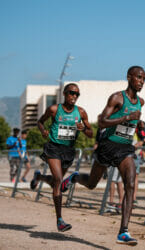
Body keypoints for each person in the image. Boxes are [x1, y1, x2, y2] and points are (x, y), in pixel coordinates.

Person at [61, 66, 145, 245]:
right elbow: (101, 122)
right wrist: (126, 117)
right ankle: (75, 177)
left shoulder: (141, 102)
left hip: (125, 148)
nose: (141, 81)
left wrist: (139, 126)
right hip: (108, 146)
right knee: (92, 183)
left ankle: (123, 231)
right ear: (129, 77)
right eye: (138, 77)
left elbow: (133, 123)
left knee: (130, 184)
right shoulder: (117, 98)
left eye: (144, 79)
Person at [30, 83, 93, 232]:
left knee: (55, 183)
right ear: (65, 94)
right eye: (71, 93)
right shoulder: (54, 109)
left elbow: (91, 134)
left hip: (68, 150)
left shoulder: (81, 112)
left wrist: (84, 129)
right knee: (58, 180)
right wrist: (43, 130)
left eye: (77, 94)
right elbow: (40, 121)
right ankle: (59, 220)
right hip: (53, 148)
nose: (74, 96)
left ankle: (40, 177)